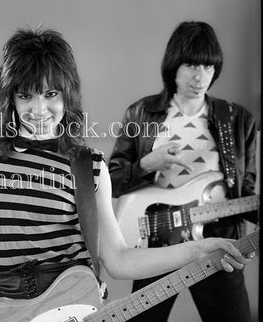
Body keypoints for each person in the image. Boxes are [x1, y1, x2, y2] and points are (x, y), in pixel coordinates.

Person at [0, 27, 254, 322]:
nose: (39, 109)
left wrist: (199, 248)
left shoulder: (89, 165)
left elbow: (119, 258)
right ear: (10, 98)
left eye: (51, 94)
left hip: (73, 306)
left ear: (67, 95)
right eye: (26, 96)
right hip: (1, 310)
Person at [108, 21, 258, 322]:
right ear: (173, 66)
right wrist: (149, 164)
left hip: (218, 241)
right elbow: (111, 180)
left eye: (208, 66)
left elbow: (245, 192)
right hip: (159, 241)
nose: (200, 76)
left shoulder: (237, 118)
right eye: (191, 65)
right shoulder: (142, 113)